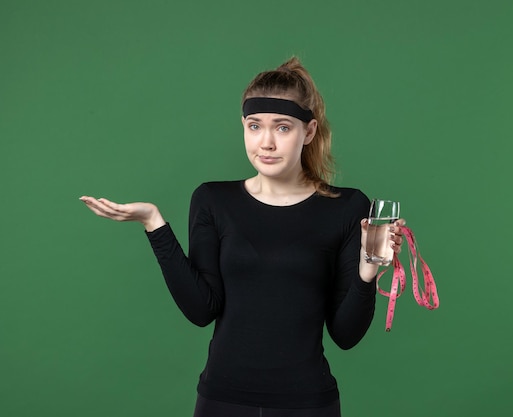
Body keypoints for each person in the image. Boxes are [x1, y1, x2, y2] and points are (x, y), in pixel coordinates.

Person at [80, 57, 406, 417]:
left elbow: (346, 335)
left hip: (308, 403)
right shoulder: (212, 200)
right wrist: (154, 223)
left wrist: (368, 270)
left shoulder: (347, 207)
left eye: (282, 128)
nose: (266, 142)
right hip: (222, 400)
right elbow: (202, 309)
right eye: (255, 126)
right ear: (244, 127)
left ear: (309, 132)